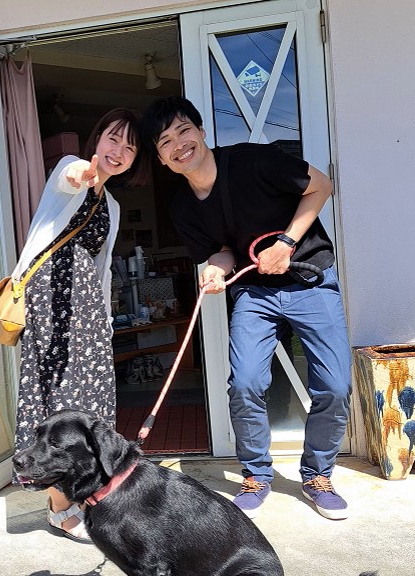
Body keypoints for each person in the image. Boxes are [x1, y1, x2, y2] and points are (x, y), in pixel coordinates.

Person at [141, 96, 351, 520]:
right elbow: (221, 250)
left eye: (184, 130)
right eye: (165, 142)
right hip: (254, 292)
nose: (179, 144)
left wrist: (286, 243)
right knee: (245, 384)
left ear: (202, 132)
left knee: (334, 386)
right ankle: (256, 474)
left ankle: (317, 476)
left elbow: (321, 185)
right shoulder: (183, 207)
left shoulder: (254, 161)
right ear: (162, 159)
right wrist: (215, 269)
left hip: (310, 279)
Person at [12, 109, 147, 540]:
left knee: (91, 404)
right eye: (113, 139)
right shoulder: (71, 168)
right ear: (97, 138)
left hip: (87, 309)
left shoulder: (112, 205)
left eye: (129, 147)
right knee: (58, 401)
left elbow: (101, 265)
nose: (119, 151)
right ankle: (58, 508)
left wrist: (103, 319)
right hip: (53, 301)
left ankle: (86, 496)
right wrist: (81, 174)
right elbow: (69, 178)